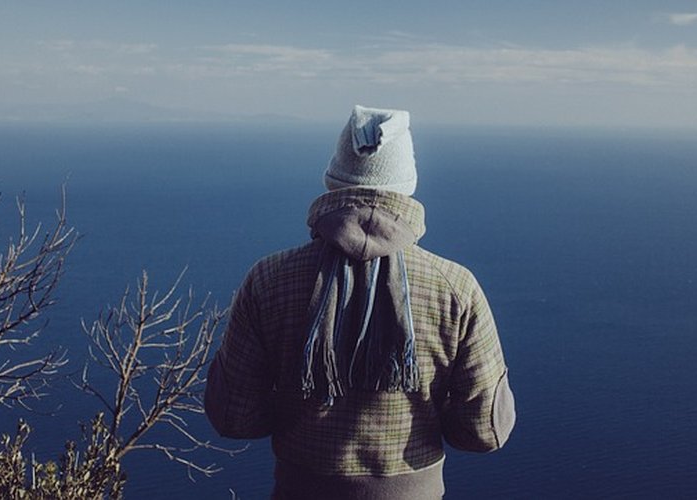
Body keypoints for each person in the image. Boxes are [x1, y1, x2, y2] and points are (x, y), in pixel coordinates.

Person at [205, 105, 515, 499]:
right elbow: (483, 431)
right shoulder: (455, 288)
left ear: (333, 180)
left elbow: (235, 417)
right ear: (408, 185)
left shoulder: (269, 279)